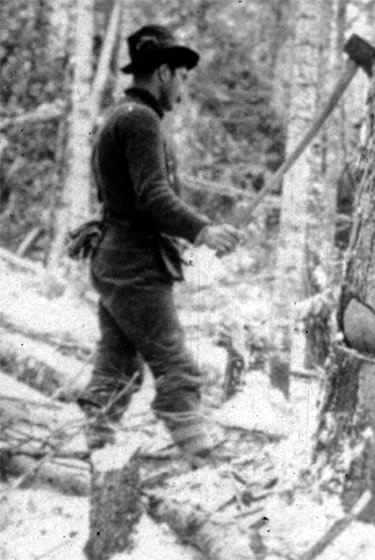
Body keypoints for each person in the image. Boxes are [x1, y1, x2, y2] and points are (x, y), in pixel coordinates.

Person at [76, 24, 244, 457]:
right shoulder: (142, 121)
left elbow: (134, 196)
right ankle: (201, 459)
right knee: (177, 366)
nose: (183, 91)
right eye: (183, 78)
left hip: (116, 260)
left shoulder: (122, 116)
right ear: (164, 73)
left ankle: (97, 449)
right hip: (133, 265)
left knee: (118, 361)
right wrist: (204, 230)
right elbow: (153, 197)